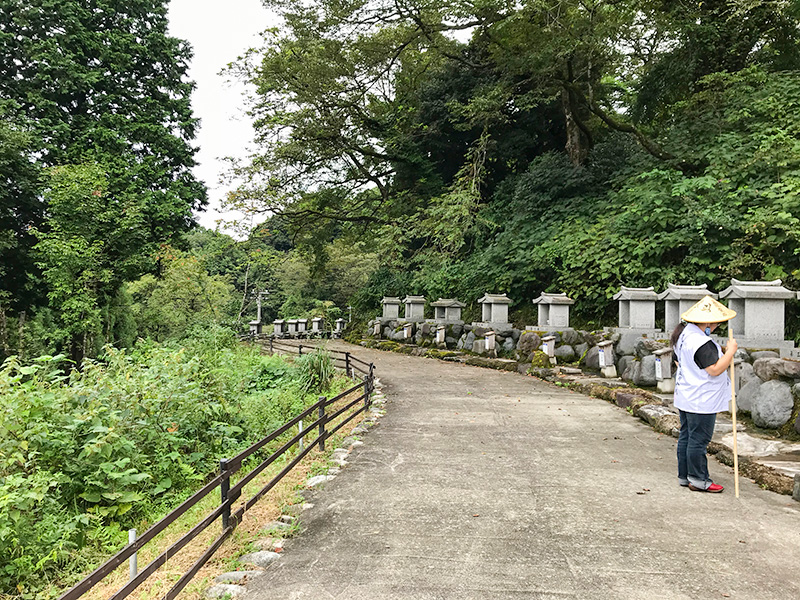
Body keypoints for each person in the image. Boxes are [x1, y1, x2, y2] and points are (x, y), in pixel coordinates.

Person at [670, 295, 738, 493]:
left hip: (686, 394)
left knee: (686, 436)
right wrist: (730, 352)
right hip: (702, 398)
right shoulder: (701, 342)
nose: (717, 325)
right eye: (716, 322)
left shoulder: (682, 336)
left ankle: (685, 475)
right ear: (707, 321)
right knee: (699, 440)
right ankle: (699, 479)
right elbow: (715, 369)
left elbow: (678, 361)